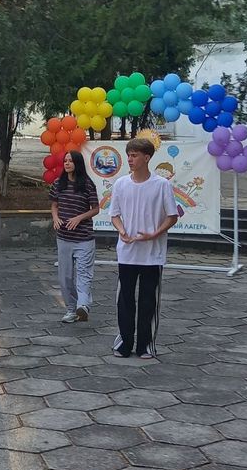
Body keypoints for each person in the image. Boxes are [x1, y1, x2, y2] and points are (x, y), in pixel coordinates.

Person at [110, 137, 178, 359]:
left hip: (152, 255)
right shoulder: (121, 184)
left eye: (134, 155)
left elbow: (172, 216)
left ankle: (145, 345)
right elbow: (114, 215)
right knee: (125, 300)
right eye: (128, 155)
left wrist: (155, 234)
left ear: (147, 158)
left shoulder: (162, 185)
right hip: (127, 253)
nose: (130, 159)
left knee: (149, 301)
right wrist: (122, 230)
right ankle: (124, 343)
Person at [49, 150, 100, 324]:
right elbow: (54, 205)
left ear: (77, 163)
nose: (67, 163)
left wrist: (79, 218)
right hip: (63, 237)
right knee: (65, 277)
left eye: (70, 161)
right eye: (65, 161)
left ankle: (83, 305)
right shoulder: (58, 183)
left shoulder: (87, 184)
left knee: (84, 273)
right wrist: (55, 218)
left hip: (84, 238)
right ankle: (71, 309)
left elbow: (95, 209)